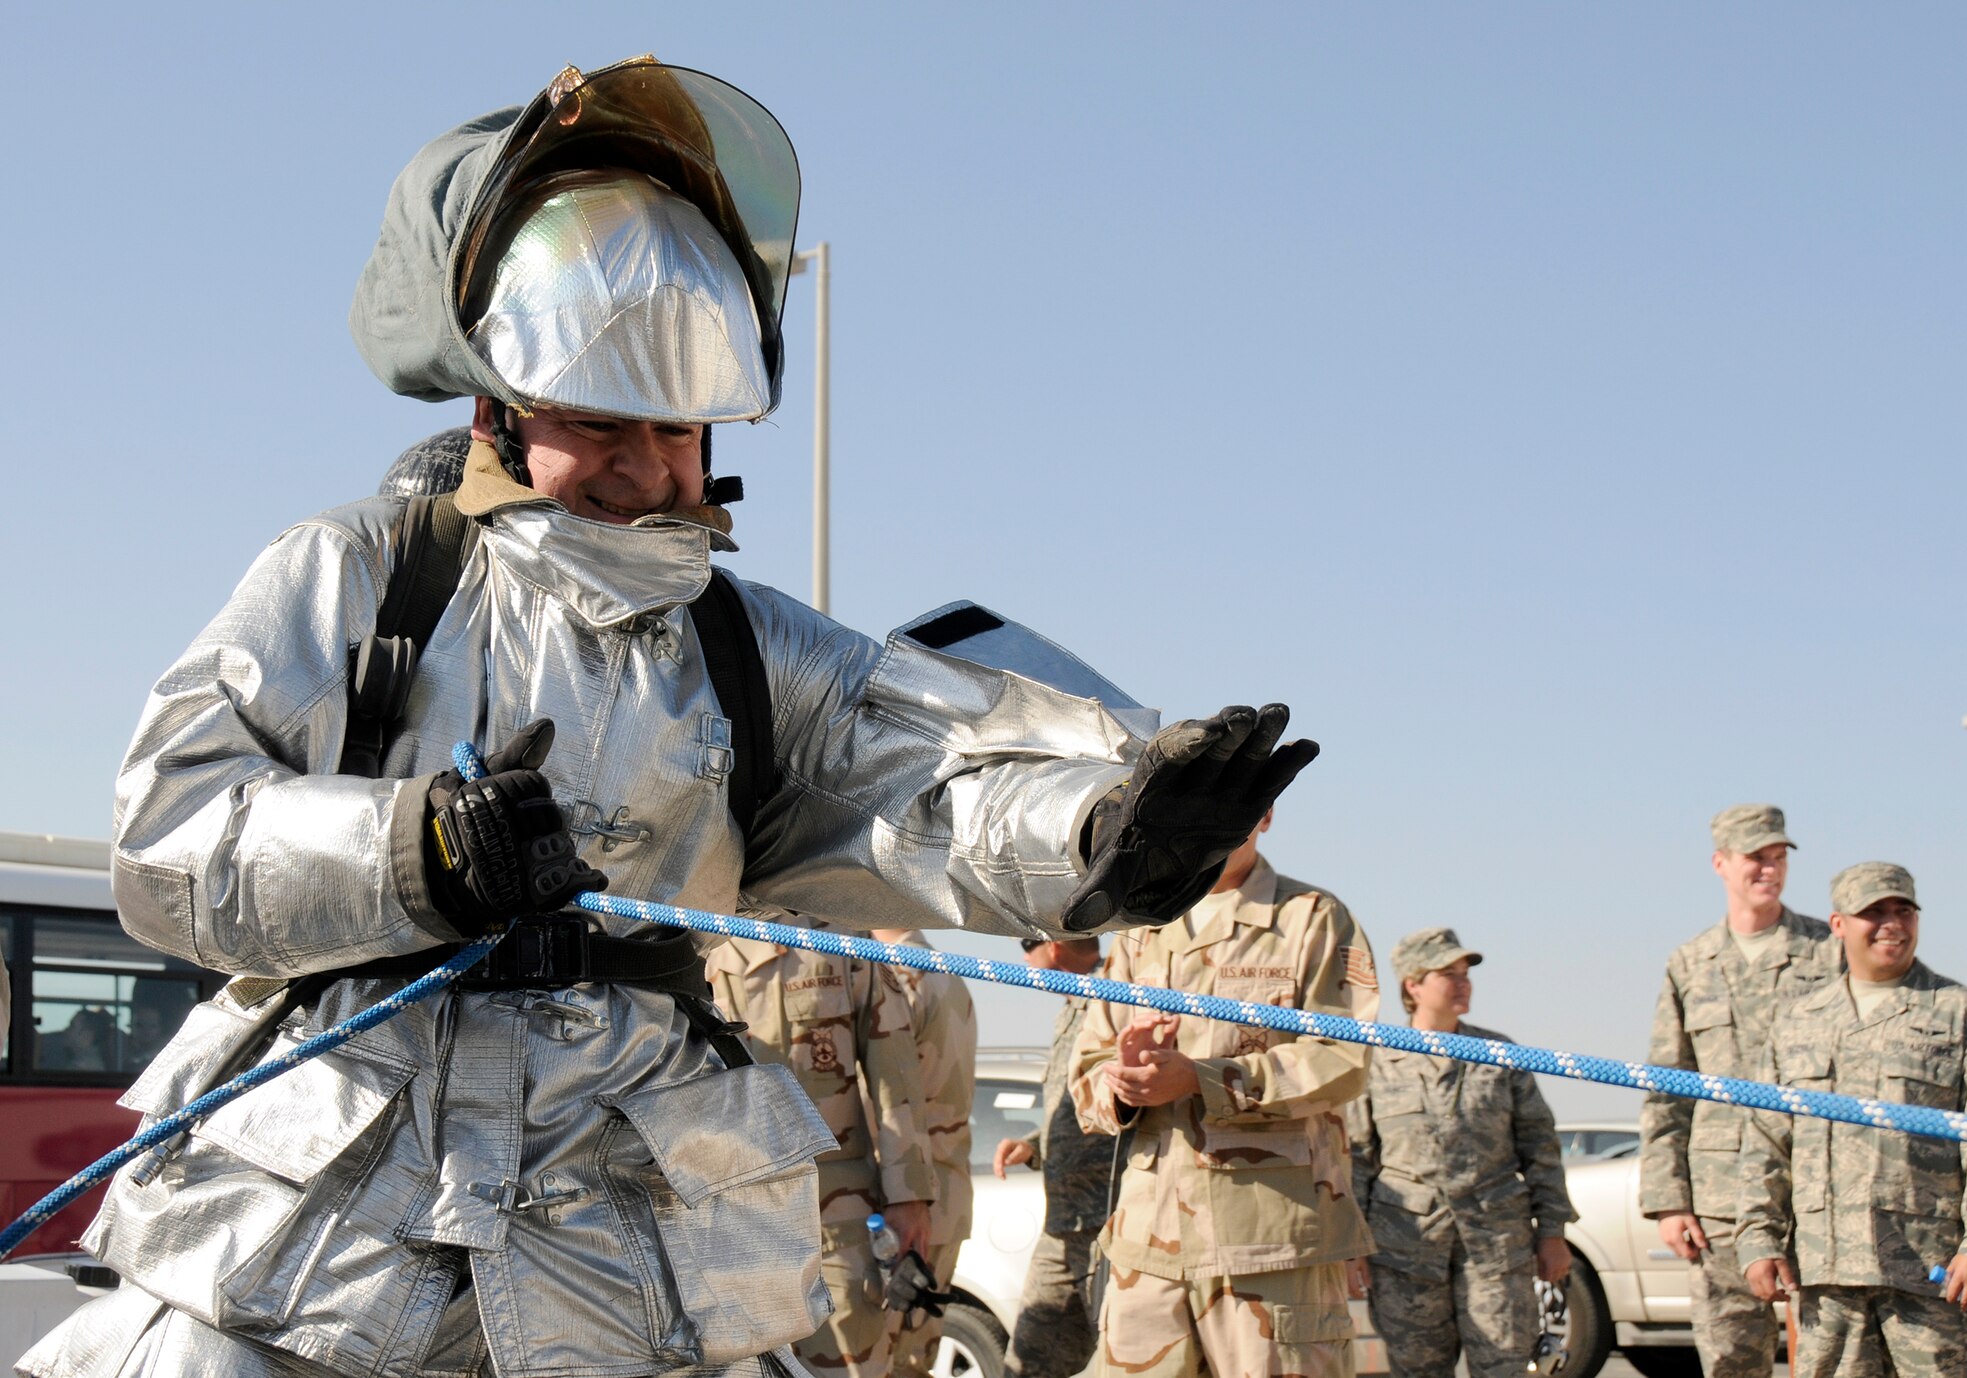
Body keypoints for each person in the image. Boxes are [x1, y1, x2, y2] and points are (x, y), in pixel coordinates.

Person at [19, 57, 1317, 1378]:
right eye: (600, 426)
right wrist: (413, 853)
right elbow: (170, 832)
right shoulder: (356, 570)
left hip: (638, 1219)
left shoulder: (745, 642)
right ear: (503, 417)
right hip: (320, 1216)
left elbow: (924, 782)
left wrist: (1103, 836)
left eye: (679, 432)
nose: (648, 470)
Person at [1070, 812, 1377, 1378]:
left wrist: (1201, 1080)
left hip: (1270, 1247)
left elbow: (1344, 1061)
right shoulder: (1140, 927)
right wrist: (1125, 1080)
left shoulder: (1313, 919)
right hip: (1149, 1244)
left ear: (1265, 815)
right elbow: (1086, 1072)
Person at [1739, 862, 1967, 1376]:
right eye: (1872, 912)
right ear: (1838, 924)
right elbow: (1766, 1141)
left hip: (1935, 1275)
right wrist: (1759, 1240)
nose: (1891, 923)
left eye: (1903, 910)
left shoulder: (1965, 1015)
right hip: (1826, 1273)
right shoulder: (1799, 1022)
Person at [1638, 802, 1840, 1378]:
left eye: (1778, 857)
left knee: (1831, 1355)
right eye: (1756, 858)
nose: (1769, 869)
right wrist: (1671, 1201)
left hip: (1817, 1187)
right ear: (1721, 863)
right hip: (1719, 1197)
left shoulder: (1828, 952)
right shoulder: (1691, 963)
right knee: (1731, 1358)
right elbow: (1665, 1088)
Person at [706, 934, 937, 1378]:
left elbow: (896, 1073)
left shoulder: (842, 940)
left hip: (835, 1220)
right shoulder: (693, 938)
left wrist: (909, 1197)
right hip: (726, 1220)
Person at [1349, 928, 1574, 1378]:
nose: (1463, 982)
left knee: (1506, 1369)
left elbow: (1540, 1147)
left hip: (1496, 1250)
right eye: (1447, 973)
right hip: (1405, 1253)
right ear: (1413, 985)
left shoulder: (1498, 1054)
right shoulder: (1376, 1061)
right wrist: (1352, 1245)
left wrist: (1553, 1232)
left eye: (1465, 973)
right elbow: (1354, 1159)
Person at [992, 935, 1121, 1378]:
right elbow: (1075, 1106)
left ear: (1055, 944)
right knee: (1029, 1361)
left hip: (1111, 1225)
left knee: (1122, 1359)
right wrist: (1034, 1143)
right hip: (1064, 1224)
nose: (1024, 959)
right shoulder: (1072, 1011)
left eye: (1027, 944)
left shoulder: (1120, 995)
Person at [868, 929, 977, 1378]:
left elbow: (887, 1096)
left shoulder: (893, 975)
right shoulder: (950, 974)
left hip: (905, 1205)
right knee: (913, 1359)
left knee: (880, 1358)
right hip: (945, 1194)